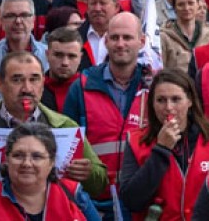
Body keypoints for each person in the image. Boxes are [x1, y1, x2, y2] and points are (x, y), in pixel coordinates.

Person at [0, 51, 107, 218]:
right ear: (0, 84)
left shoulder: (66, 128)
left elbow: (100, 186)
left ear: (43, 83)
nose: (27, 88)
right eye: (17, 80)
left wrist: (88, 173)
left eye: (34, 79)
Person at [63, 12, 150, 216]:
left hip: (141, 201)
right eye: (115, 37)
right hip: (93, 202)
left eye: (127, 37)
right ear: (106, 40)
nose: (120, 44)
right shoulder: (81, 87)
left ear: (142, 41)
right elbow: (67, 147)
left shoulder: (155, 88)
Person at [120, 69, 209, 219]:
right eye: (161, 100)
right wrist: (161, 150)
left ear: (190, 101)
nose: (168, 107)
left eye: (176, 99)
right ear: (152, 104)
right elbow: (131, 201)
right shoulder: (136, 141)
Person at [0, 122, 101, 221]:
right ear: (7, 159)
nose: (26, 163)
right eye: (18, 155)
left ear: (51, 162)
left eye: (36, 156)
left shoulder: (74, 196)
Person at [0, 0, 50, 108]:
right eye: (11, 16)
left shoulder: (49, 56)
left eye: (24, 15)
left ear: (33, 21)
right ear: (1, 22)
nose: (18, 21)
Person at [160, 0, 209, 71]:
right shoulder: (164, 37)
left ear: (197, 5)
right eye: (181, 4)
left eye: (190, 3)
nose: (186, 8)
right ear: (174, 8)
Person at [77, 0, 122, 71]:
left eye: (103, 3)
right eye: (93, 3)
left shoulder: (125, 39)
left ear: (116, 7)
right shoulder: (75, 37)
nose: (97, 9)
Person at [41, 27, 84, 112]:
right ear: (47, 55)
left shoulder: (92, 89)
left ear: (80, 58)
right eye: (58, 55)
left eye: (71, 56)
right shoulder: (33, 89)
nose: (65, 62)